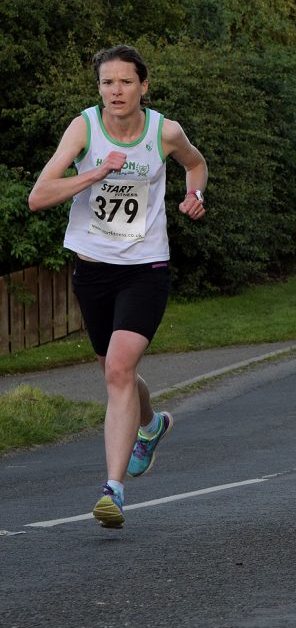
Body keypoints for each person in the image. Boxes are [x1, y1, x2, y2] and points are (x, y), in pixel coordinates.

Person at [28, 45, 208, 528]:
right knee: (114, 370)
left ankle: (113, 490)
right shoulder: (84, 127)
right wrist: (97, 171)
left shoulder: (164, 131)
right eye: (108, 82)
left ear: (143, 86)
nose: (116, 91)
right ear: (99, 89)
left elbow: (196, 164)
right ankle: (150, 425)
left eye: (126, 81)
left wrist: (194, 194)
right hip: (93, 269)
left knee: (120, 368)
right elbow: (39, 196)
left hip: (146, 268)